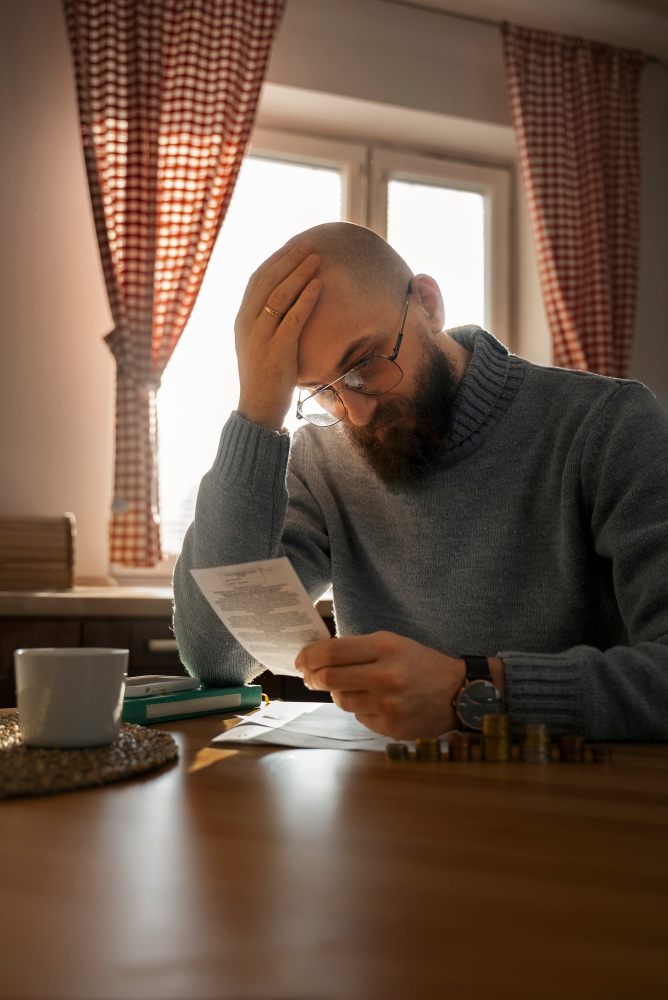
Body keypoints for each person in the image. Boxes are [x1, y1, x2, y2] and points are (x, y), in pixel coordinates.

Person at [173, 222, 668, 741]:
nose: (356, 414)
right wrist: (257, 415)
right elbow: (216, 658)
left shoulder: (606, 425)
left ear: (429, 305)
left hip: (575, 801)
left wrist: (470, 691)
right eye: (322, 391)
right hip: (390, 799)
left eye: (365, 362)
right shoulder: (322, 455)